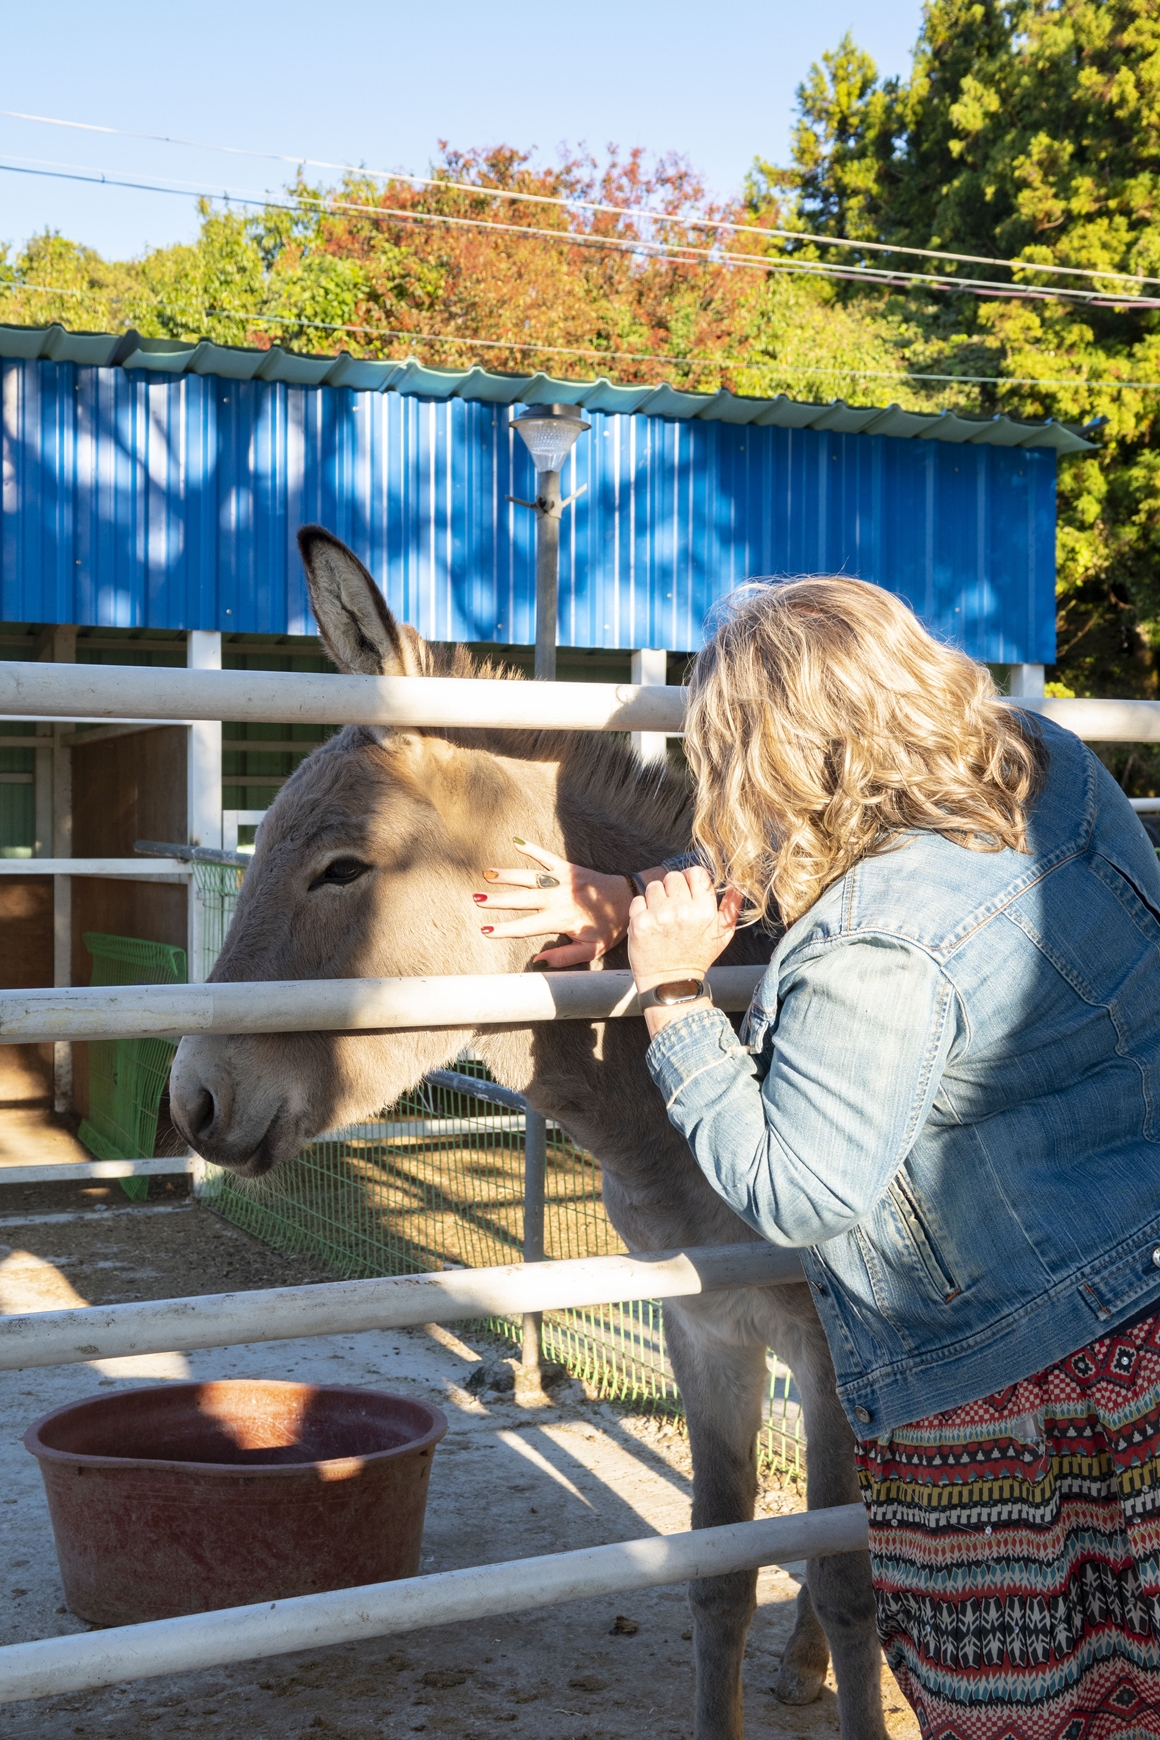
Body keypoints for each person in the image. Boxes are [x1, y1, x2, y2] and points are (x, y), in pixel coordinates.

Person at [474, 576, 1160, 1735]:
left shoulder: (870, 945)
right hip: (1134, 1299)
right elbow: (851, 851)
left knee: (1038, 1709)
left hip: (1006, 1390)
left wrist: (677, 995)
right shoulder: (1045, 768)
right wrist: (643, 898)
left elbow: (796, 1190)